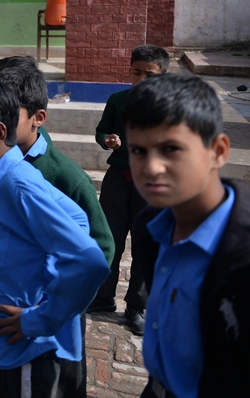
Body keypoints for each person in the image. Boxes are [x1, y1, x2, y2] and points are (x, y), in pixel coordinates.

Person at [0, 75, 108, 398]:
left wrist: (42, 319)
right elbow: (74, 219)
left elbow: (88, 258)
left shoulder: (19, 184)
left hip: (25, 353)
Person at [0, 56, 114, 397]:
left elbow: (100, 248)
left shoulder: (64, 175)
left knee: (55, 384)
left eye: (5, 110)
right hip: (7, 318)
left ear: (38, 117)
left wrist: (52, 311)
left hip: (49, 321)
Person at [123, 73, 249, 397]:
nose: (151, 168)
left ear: (218, 151)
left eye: (170, 149)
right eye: (138, 150)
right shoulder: (151, 226)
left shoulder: (242, 256)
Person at [89, 44, 170, 336]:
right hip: (118, 179)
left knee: (146, 244)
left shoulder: (171, 106)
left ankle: (137, 306)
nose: (142, 79)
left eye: (150, 75)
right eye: (137, 73)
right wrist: (107, 139)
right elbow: (101, 130)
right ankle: (102, 297)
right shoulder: (118, 100)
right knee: (108, 237)